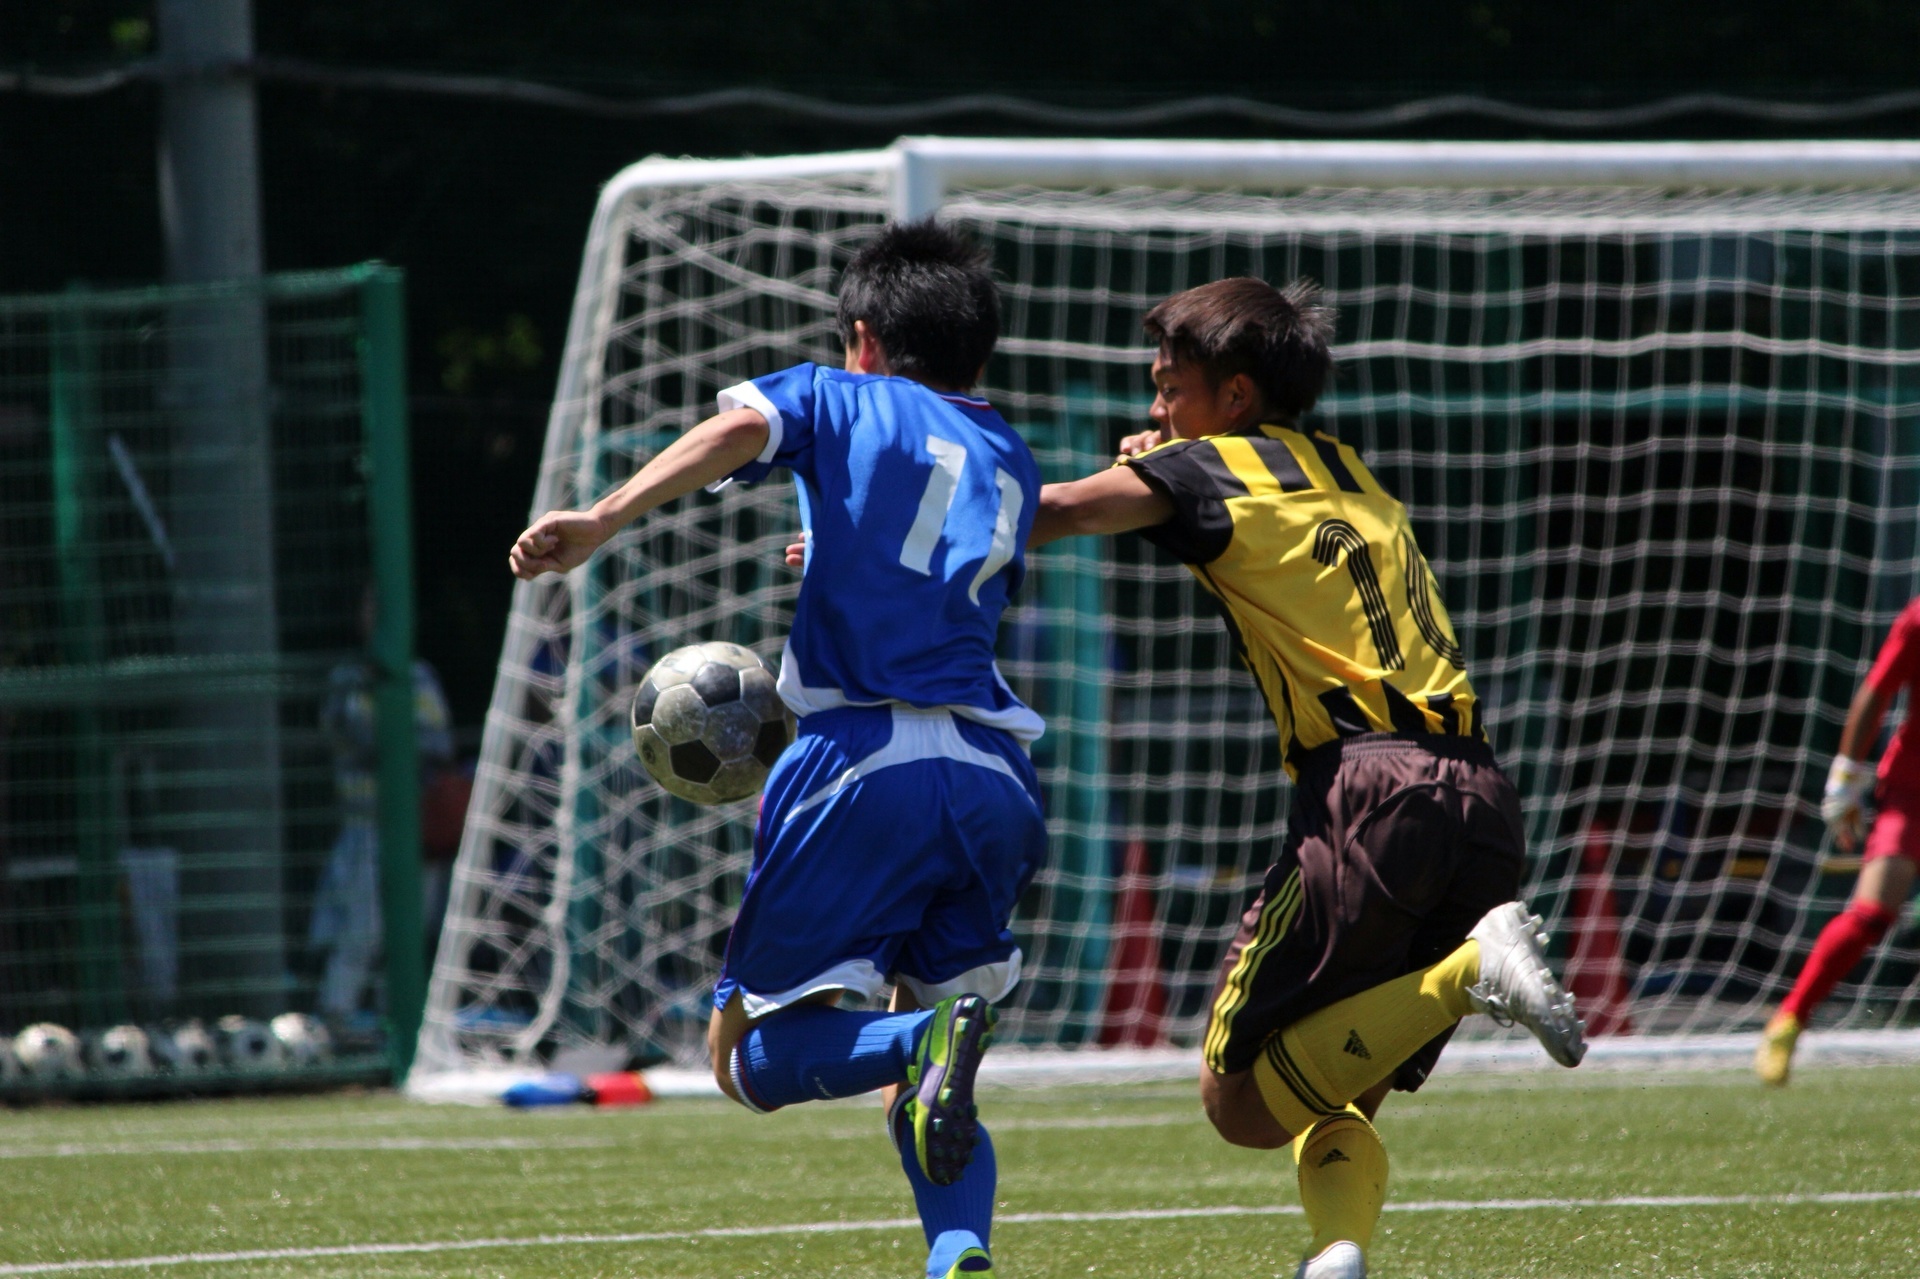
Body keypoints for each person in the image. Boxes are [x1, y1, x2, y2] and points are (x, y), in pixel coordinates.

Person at [509, 220, 1045, 1279]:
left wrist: (604, 518)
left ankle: (922, 1046)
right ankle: (960, 1255)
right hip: (993, 777)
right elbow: (930, 567)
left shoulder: (834, 391)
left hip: (860, 760)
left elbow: (738, 429)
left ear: (862, 338)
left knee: (747, 1057)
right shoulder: (1008, 454)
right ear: (977, 355)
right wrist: (832, 543)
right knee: (939, 1046)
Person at [1026, 277, 1586, 1279]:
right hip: (1479, 792)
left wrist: (871, 540)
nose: (1154, 409)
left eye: (1169, 387)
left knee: (1236, 1101)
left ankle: (1469, 975)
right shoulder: (1344, 467)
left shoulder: (1211, 469)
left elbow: (1052, 513)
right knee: (1329, 1075)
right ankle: (1340, 1255)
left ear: (1235, 396)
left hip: (1368, 790)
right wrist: (1166, 462)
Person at [1756, 598, 1920, 1085]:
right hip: (1912, 790)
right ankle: (1789, 1020)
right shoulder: (1916, 617)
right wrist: (1845, 778)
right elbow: (1876, 691)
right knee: (1872, 912)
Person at [311, 587, 454, 1032]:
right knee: (361, 930)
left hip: (415, 831)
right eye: (369, 609)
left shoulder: (421, 677)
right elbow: (344, 735)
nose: (377, 619)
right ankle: (335, 1020)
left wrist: (396, 740)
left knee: (413, 933)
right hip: (364, 825)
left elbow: (439, 744)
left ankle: (403, 1026)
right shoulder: (346, 680)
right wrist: (394, 741)